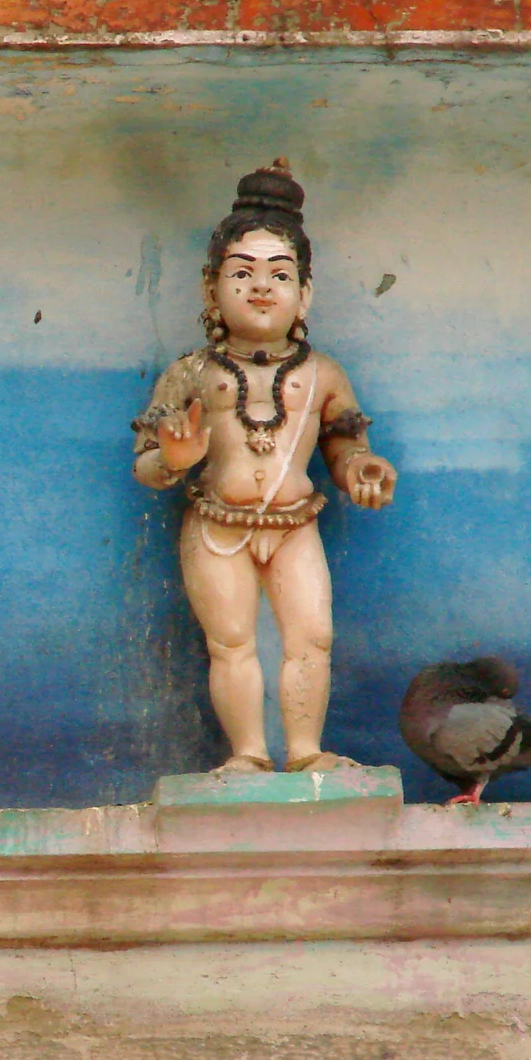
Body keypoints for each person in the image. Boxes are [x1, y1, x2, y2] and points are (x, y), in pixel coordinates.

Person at [132, 159, 397, 775]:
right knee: (230, 644)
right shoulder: (193, 372)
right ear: (211, 289)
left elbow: (344, 445)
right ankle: (248, 753)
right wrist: (173, 461)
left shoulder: (322, 373)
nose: (260, 288)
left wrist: (362, 468)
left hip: (293, 524)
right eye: (242, 272)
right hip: (216, 526)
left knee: (312, 639)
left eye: (280, 274)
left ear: (304, 293)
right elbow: (146, 466)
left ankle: (305, 752)